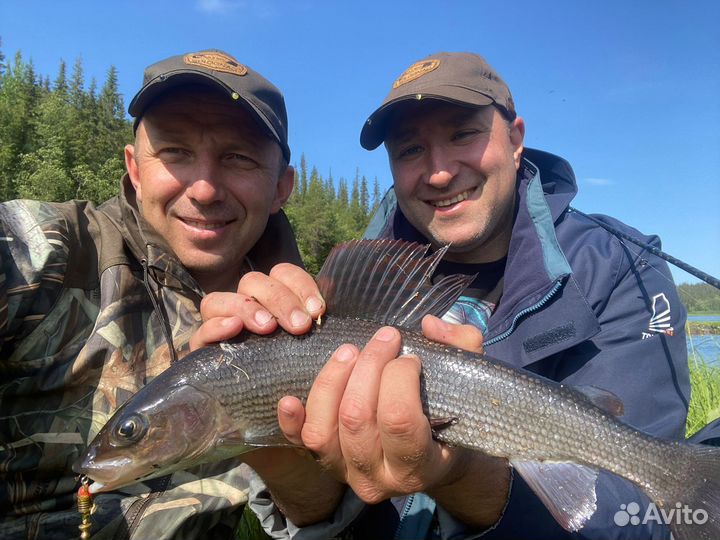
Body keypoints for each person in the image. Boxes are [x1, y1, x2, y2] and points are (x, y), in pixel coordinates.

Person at [217, 52, 692, 539]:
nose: (439, 173)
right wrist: (289, 470)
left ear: (515, 140)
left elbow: (643, 520)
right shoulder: (350, 290)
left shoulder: (619, 268)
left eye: (463, 134)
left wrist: (465, 477)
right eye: (409, 150)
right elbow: (334, 512)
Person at [0, 49, 327, 540]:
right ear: (134, 168)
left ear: (282, 187)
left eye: (237, 157)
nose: (204, 189)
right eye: (174, 151)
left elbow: (312, 514)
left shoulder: (309, 320)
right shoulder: (49, 248)